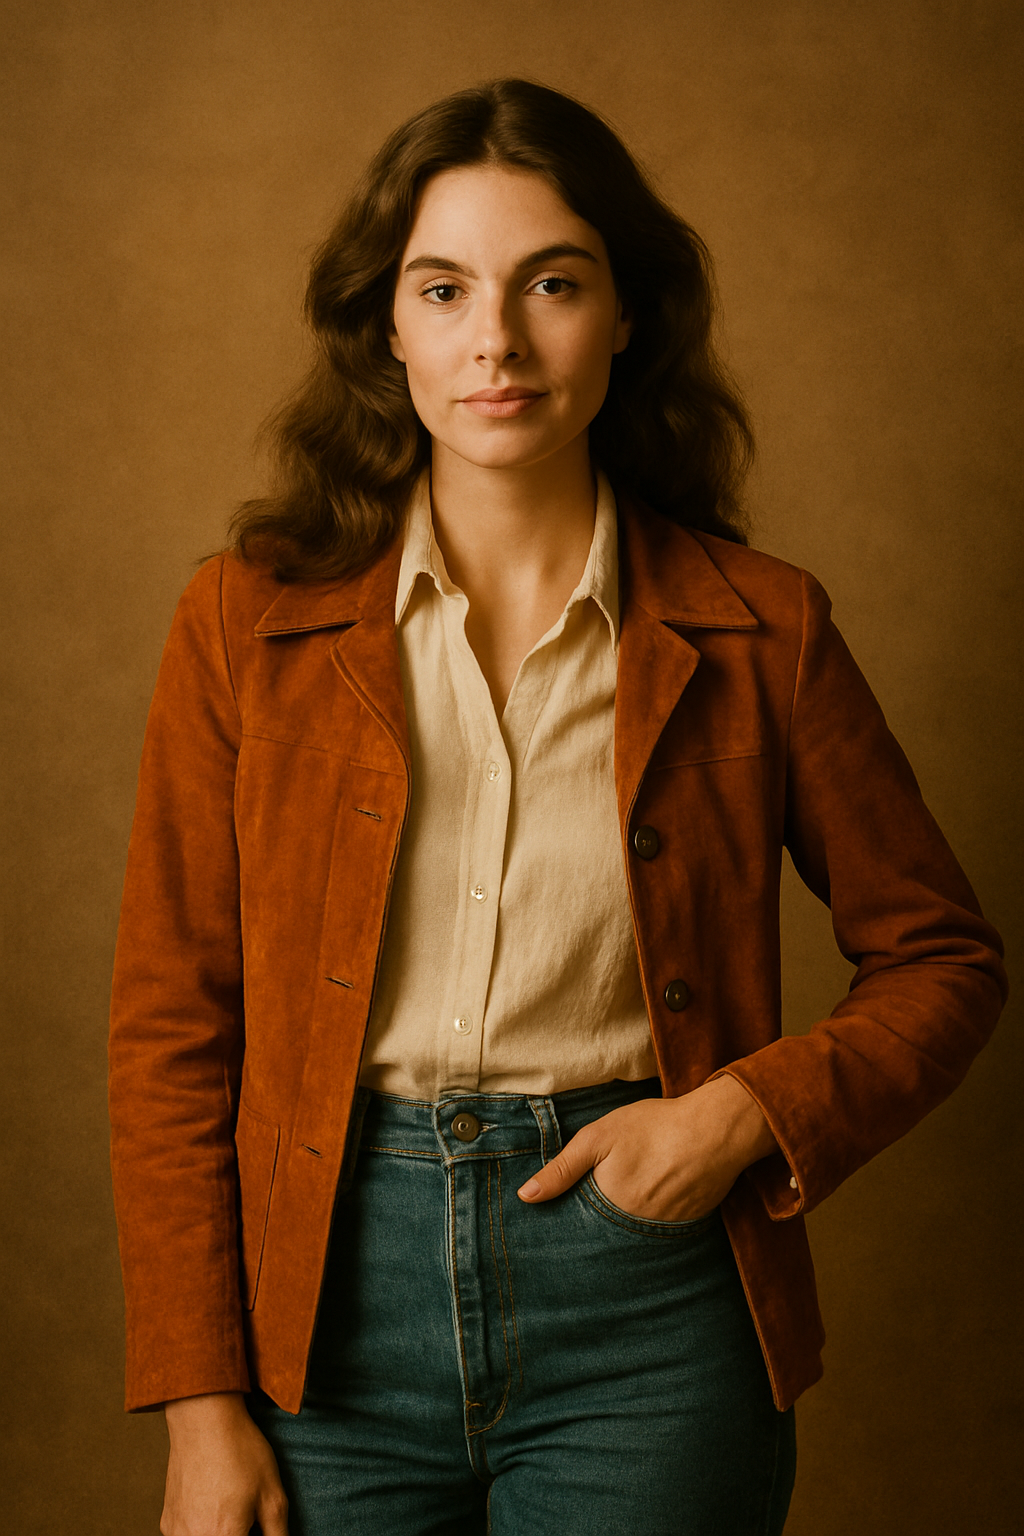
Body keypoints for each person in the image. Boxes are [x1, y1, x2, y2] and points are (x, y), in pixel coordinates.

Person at [108, 79, 1007, 1536]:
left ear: (627, 316)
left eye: (554, 285)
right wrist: (201, 1408)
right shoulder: (244, 622)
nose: (498, 342)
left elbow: (945, 962)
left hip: (650, 1309)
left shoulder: (759, 628)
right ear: (386, 326)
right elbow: (173, 1025)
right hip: (324, 1312)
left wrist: (738, 1115)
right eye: (445, 288)